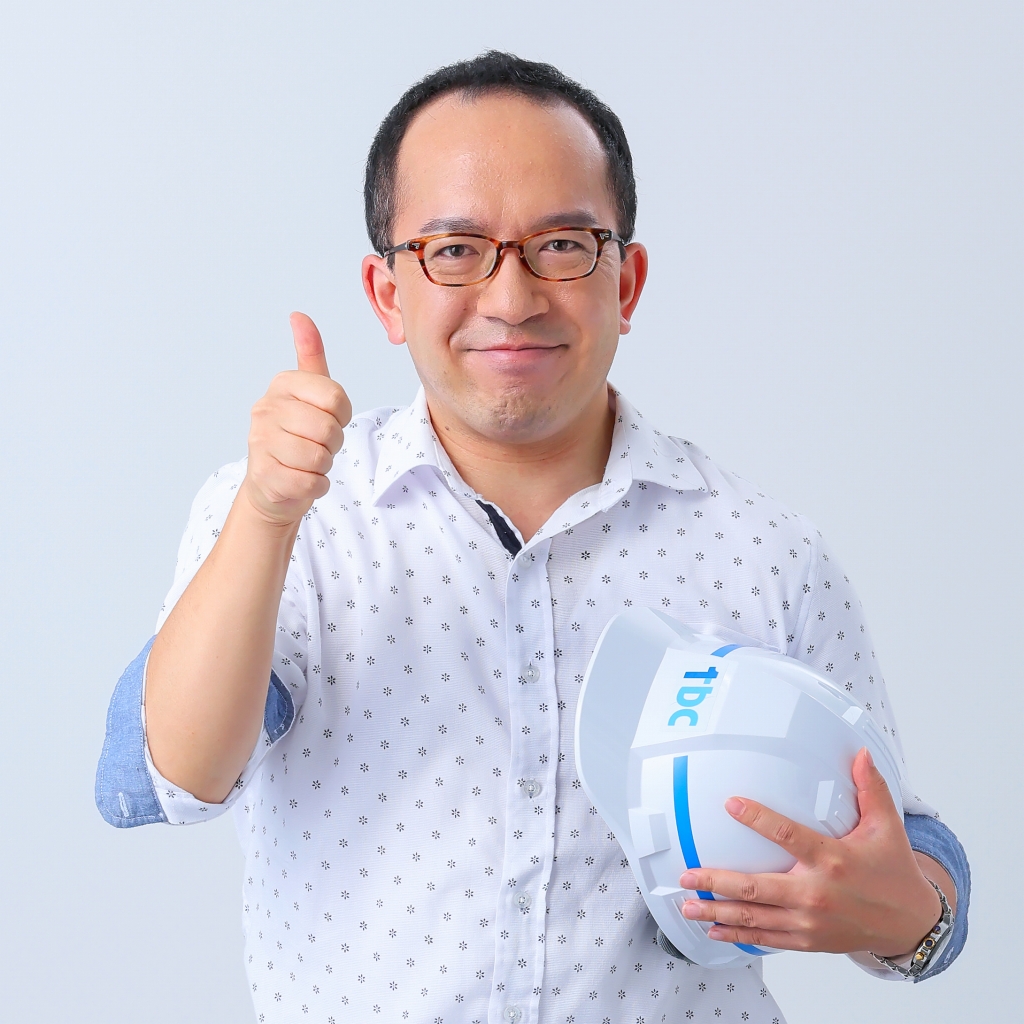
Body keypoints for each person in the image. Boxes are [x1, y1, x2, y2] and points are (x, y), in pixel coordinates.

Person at [96, 51, 969, 1023]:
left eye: (561, 245)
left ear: (626, 281)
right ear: (387, 293)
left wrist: (910, 918)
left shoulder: (765, 552)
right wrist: (266, 514)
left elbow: (908, 846)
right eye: (455, 249)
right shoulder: (295, 514)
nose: (511, 299)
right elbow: (171, 776)